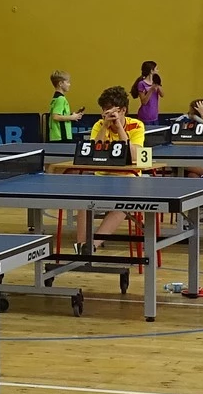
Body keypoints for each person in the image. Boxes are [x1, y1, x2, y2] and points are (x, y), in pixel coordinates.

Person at [74, 86, 145, 256]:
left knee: (122, 206)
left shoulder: (136, 125)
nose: (107, 113)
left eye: (111, 110)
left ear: (123, 110)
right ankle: (80, 247)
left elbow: (135, 155)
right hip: (102, 178)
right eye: (104, 109)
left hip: (128, 179)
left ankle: (91, 247)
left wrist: (119, 127)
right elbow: (92, 153)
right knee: (83, 201)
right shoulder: (99, 125)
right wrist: (105, 126)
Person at [46, 72, 83, 141]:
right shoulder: (61, 99)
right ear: (60, 84)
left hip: (55, 135)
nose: (69, 84)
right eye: (67, 82)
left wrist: (73, 115)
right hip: (61, 135)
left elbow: (60, 114)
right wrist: (72, 117)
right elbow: (55, 116)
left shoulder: (55, 98)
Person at [130, 61, 163, 127]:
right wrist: (151, 90)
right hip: (145, 116)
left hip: (155, 115)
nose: (157, 70)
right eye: (156, 69)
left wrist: (158, 85)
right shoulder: (141, 84)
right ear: (151, 71)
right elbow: (144, 102)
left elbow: (162, 95)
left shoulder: (155, 81)